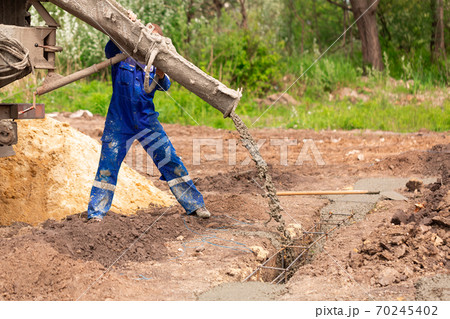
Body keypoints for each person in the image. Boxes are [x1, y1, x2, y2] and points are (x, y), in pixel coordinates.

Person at [87, 24, 210, 221]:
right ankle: (96, 214)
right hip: (119, 121)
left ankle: (195, 206)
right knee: (107, 166)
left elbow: (165, 85)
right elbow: (110, 47)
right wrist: (126, 26)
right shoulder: (121, 55)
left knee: (169, 160)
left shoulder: (156, 66)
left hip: (146, 121)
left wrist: (160, 71)